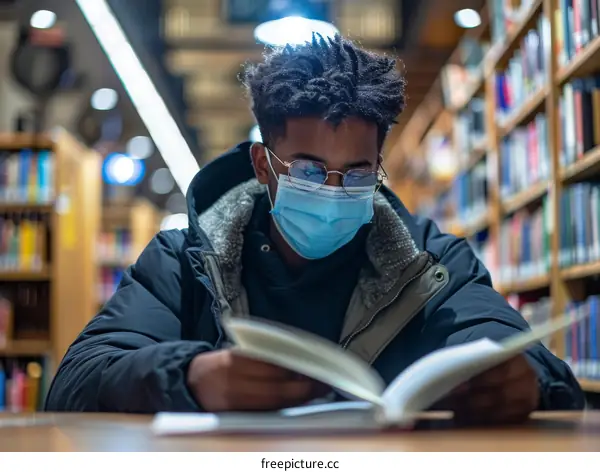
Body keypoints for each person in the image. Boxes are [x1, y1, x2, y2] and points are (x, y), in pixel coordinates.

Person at [45, 34, 584, 423]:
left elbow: (522, 354)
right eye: (305, 169)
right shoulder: (180, 259)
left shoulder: (432, 264)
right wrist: (188, 377)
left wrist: (525, 380)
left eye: (356, 173)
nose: (330, 191)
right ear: (263, 166)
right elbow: (76, 381)